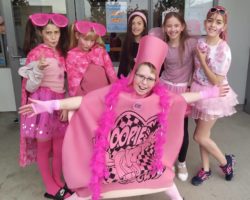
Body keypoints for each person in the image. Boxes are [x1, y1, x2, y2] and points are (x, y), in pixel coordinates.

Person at [19, 35, 228, 200]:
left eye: (150, 78)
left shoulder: (158, 98)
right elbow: (83, 102)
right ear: (134, 74)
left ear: (155, 81)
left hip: (142, 160)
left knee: (165, 176)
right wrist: (48, 105)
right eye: (141, 76)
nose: (144, 82)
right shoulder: (116, 94)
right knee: (94, 182)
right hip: (114, 159)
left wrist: (210, 93)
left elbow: (182, 98)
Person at [18, 13, 72, 200]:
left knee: (59, 149)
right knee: (44, 148)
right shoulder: (35, 54)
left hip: (58, 104)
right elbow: (30, 87)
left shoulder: (62, 54)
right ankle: (50, 187)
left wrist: (65, 105)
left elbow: (64, 84)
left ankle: (58, 180)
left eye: (56, 32)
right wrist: (38, 70)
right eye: (48, 32)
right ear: (41, 33)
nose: (53, 36)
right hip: (42, 106)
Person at [190, 6, 238, 186]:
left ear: (223, 27)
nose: (212, 25)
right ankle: (206, 169)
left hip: (215, 95)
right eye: (210, 21)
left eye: (218, 22)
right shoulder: (199, 42)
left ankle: (226, 162)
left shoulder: (223, 49)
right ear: (205, 23)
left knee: (199, 136)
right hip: (198, 91)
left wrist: (202, 59)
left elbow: (216, 80)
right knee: (205, 134)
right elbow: (193, 69)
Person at [149, 8, 197, 182]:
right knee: (161, 128)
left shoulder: (191, 43)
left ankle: (181, 162)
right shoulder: (162, 45)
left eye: (176, 25)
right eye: (169, 26)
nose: (173, 29)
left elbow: (202, 60)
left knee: (181, 130)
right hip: (164, 88)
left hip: (183, 91)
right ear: (164, 28)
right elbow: (153, 64)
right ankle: (161, 161)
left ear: (182, 26)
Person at [66, 20, 117, 97]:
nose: (89, 44)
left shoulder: (100, 51)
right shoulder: (72, 56)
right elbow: (74, 84)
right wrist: (82, 101)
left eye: (92, 40)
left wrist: (115, 92)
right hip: (87, 98)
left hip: (105, 95)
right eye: (85, 39)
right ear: (77, 36)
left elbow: (111, 73)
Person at [117, 10, 148, 78]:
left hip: (146, 82)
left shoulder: (149, 44)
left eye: (139, 23)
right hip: (131, 80)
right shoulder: (127, 44)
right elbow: (122, 67)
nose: (135, 26)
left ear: (144, 27)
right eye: (133, 23)